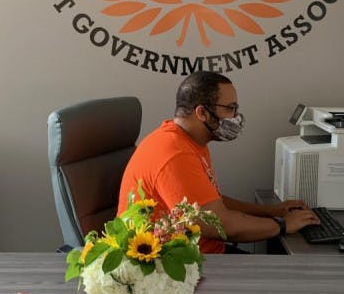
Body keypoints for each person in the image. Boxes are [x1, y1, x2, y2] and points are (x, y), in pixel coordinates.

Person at [118, 71, 320, 253]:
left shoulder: (190, 140)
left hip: (203, 254)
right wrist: (282, 225)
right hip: (182, 268)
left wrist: (269, 211)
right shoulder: (175, 153)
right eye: (230, 108)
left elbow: (212, 203)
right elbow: (219, 223)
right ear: (202, 113)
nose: (236, 117)